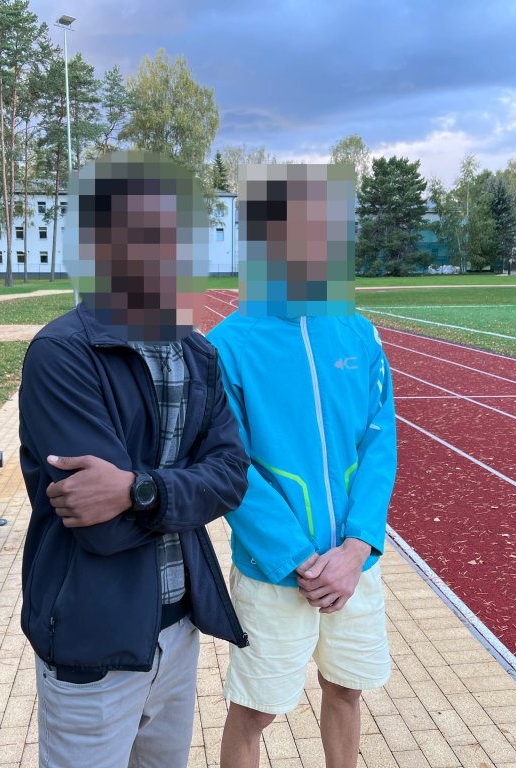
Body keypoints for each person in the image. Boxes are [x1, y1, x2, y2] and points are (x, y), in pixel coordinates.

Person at [18, 150, 250, 768]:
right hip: (94, 640)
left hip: (178, 629)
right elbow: (98, 524)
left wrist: (138, 489)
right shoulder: (62, 355)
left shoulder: (197, 355)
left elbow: (230, 477)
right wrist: (168, 492)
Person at [209, 164, 398, 768]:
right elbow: (229, 465)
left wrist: (358, 547)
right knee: (255, 711)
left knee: (346, 690)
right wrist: (300, 558)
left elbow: (379, 443)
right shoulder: (228, 345)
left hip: (352, 565)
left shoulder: (358, 334)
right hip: (276, 570)